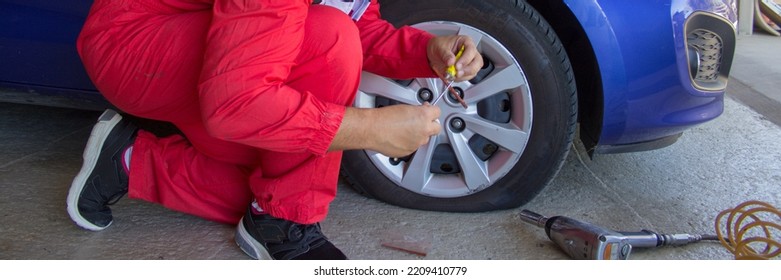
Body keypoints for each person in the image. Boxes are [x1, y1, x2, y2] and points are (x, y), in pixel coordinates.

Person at [66, 0, 482, 260]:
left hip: (218, 44)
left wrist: (424, 49)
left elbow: (355, 18)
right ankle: (281, 222)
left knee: (286, 175)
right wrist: (370, 128)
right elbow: (235, 105)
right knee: (329, 42)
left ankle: (129, 159)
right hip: (135, 42)